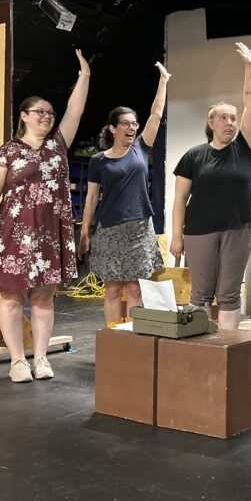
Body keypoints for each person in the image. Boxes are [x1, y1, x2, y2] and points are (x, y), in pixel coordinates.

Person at [0, 49, 91, 382]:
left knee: (44, 297)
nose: (47, 117)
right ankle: (17, 360)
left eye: (50, 113)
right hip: (13, 232)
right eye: (40, 112)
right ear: (24, 115)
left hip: (51, 231)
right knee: (10, 296)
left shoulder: (58, 146)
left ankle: (41, 358)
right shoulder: (7, 151)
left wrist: (85, 76)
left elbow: (75, 110)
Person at [170, 42, 251, 331]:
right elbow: (180, 199)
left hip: (238, 227)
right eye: (223, 117)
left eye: (233, 118)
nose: (230, 123)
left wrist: (249, 67)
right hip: (199, 230)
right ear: (211, 122)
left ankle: (227, 350)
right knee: (201, 294)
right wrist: (176, 236)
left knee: (230, 294)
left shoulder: (245, 149)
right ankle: (201, 351)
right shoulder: (193, 156)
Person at [78, 62, 172, 325]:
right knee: (111, 289)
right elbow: (92, 197)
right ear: (113, 128)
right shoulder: (99, 160)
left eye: (134, 124)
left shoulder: (141, 147)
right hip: (110, 228)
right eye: (126, 124)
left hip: (140, 227)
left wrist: (163, 80)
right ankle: (111, 337)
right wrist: (85, 231)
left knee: (134, 288)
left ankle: (130, 339)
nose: (132, 128)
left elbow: (156, 114)